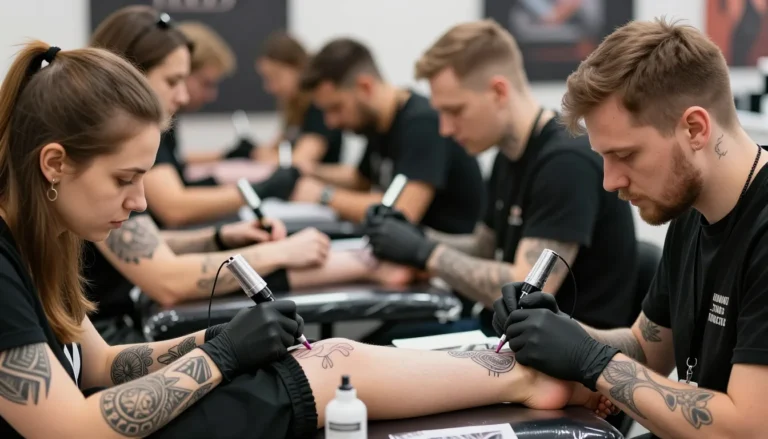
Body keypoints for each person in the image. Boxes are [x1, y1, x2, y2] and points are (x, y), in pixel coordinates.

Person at [0, 42, 613, 439]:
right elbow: (68, 429)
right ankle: (521, 379)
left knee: (328, 357)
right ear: (53, 164)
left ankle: (517, 376)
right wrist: (223, 356)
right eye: (125, 180)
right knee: (331, 367)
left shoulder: (46, 235)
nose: (140, 204)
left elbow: (104, 364)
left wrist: (216, 337)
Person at [493, 18, 768, 439]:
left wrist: (591, 360)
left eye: (626, 155)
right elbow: (646, 349)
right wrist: (554, 329)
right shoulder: (692, 211)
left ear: (694, 128)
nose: (610, 181)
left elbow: (747, 427)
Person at [364, 19, 637, 333]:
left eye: (455, 110)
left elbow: (527, 288)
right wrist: (409, 236)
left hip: (563, 361)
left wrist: (424, 253)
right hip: (510, 339)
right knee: (380, 341)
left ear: (498, 92)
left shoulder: (565, 163)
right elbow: (482, 247)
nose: (445, 128)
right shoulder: (507, 158)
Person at [91, 6, 300, 228]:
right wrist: (259, 189)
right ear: (130, 76)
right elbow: (172, 207)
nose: (182, 96)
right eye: (172, 81)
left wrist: (220, 237)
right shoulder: (129, 135)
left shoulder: (152, 126)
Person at [296, 37, 486, 233]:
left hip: (447, 248)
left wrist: (324, 196)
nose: (330, 122)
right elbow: (360, 179)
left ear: (365, 87)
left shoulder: (423, 123)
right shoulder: (379, 124)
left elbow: (402, 211)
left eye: (336, 108)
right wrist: (306, 171)